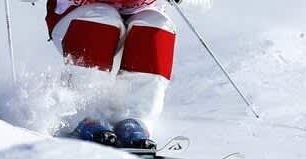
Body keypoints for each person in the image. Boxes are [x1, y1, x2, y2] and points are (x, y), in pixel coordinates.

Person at [43, 0, 212, 149]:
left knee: (156, 23)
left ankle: (133, 120)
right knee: (103, 15)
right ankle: (82, 115)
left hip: (135, 22)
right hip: (77, 20)